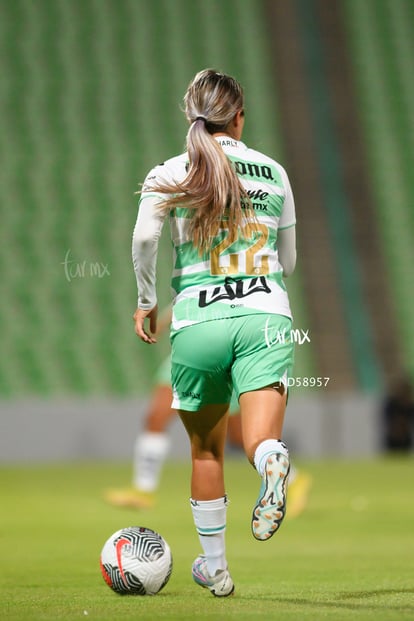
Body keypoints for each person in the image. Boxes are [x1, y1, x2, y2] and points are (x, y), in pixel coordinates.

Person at [132, 69, 297, 597]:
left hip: (199, 317)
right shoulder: (274, 171)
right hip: (266, 317)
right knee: (258, 438)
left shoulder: (173, 170)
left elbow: (143, 239)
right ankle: (273, 460)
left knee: (206, 451)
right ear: (240, 116)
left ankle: (216, 571)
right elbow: (288, 263)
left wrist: (146, 301)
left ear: (192, 116)